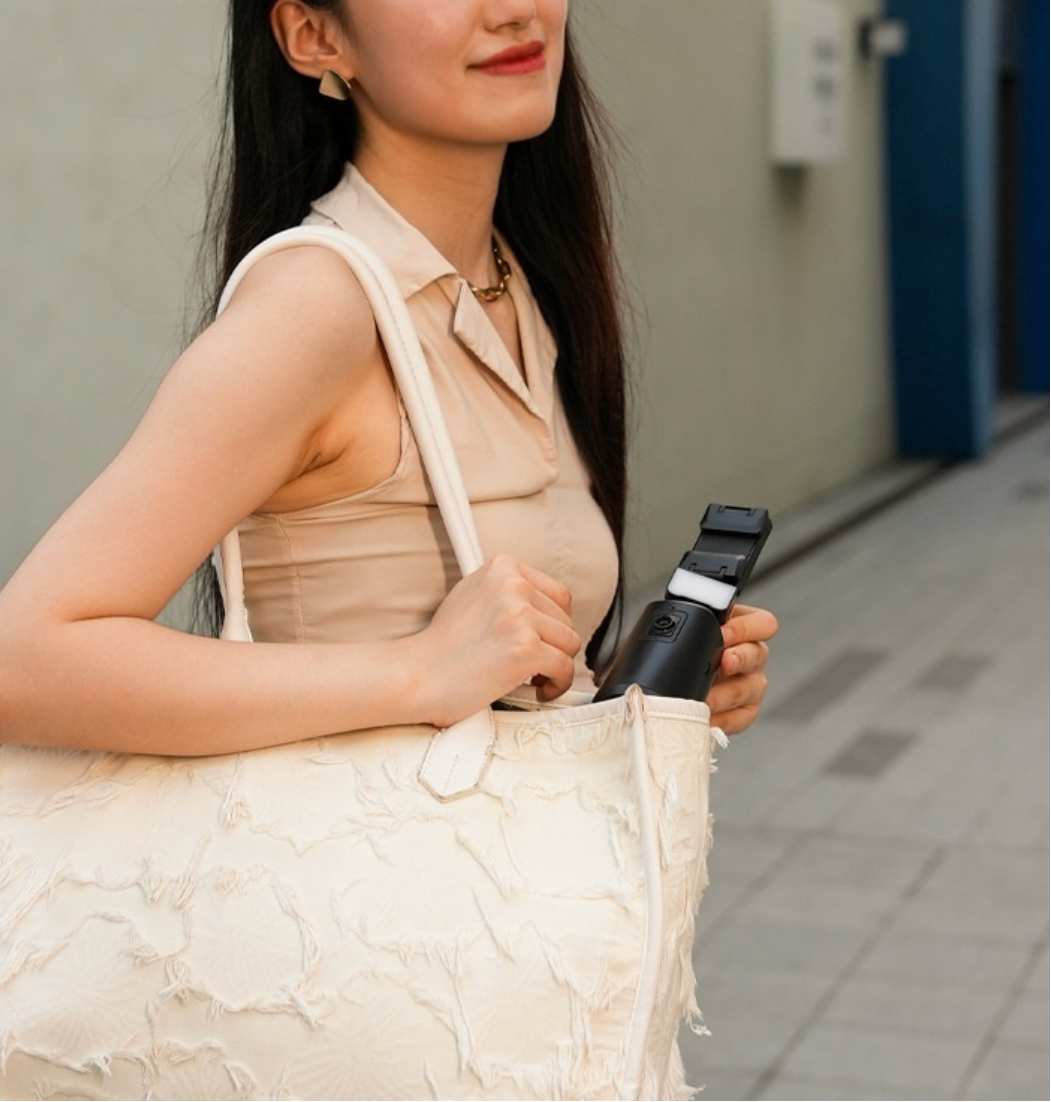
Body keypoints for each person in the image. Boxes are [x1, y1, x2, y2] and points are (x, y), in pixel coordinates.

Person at [0, 1, 777, 1096]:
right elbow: (26, 654)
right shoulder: (317, 305)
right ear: (316, 38)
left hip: (498, 995)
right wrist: (417, 671)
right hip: (355, 994)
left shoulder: (519, 280)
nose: (513, 8)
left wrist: (636, 692)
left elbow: (483, 681)